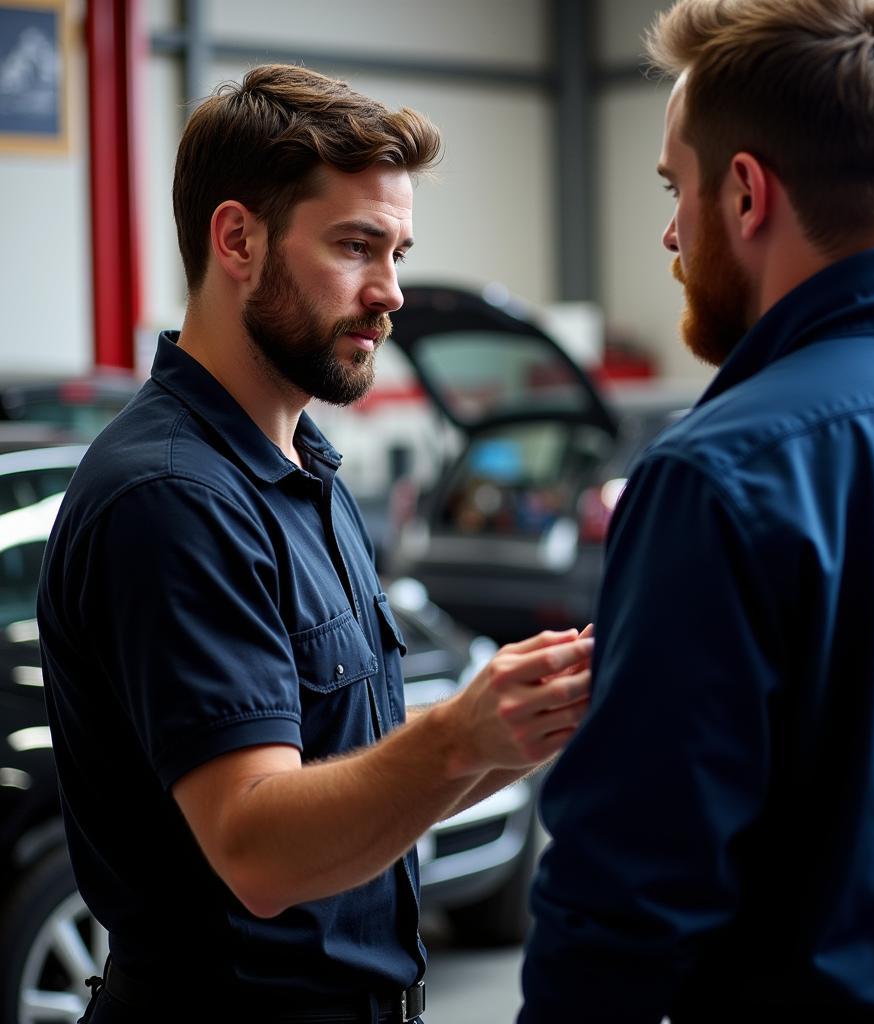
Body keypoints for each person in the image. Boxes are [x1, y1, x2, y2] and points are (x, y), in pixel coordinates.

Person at [37, 64, 592, 1024]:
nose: (391, 293)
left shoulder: (301, 472)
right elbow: (258, 852)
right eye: (355, 246)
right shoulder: (171, 498)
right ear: (238, 239)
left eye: (399, 252)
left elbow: (361, 793)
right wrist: (459, 733)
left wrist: (535, 721)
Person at [519, 1, 874, 1021]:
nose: (670, 229)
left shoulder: (718, 477)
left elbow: (625, 901)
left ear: (746, 192)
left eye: (675, 188)